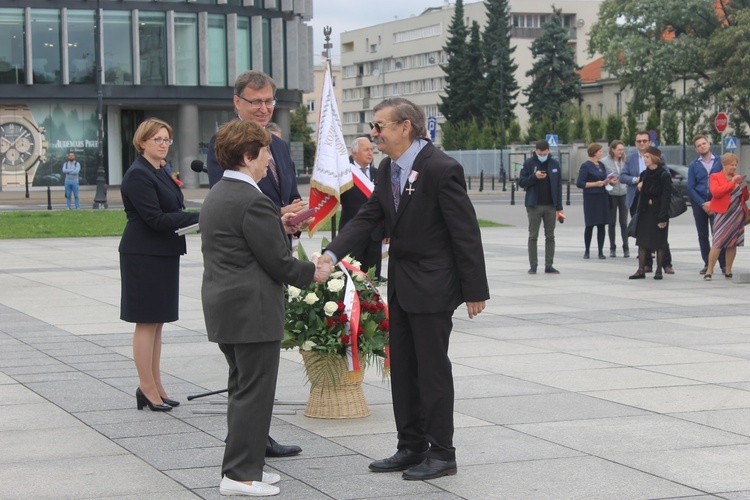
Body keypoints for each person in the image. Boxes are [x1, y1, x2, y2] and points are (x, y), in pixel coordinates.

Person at [317, 98, 489, 481]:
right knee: (404, 369)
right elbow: (368, 218)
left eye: (379, 126)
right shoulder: (386, 168)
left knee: (432, 371)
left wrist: (475, 288)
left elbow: (465, 232)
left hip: (433, 285)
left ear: (405, 126)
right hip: (402, 284)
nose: (374, 134)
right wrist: (331, 254)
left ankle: (442, 453)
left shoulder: (442, 168)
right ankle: (411, 447)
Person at [200, 119, 329, 497]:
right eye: (265, 152)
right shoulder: (252, 198)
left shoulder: (222, 193)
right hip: (251, 310)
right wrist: (315, 273)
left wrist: (278, 221)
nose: (269, 159)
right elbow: (278, 262)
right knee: (254, 392)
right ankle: (239, 475)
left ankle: (245, 465)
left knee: (243, 389)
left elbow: (244, 237)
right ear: (247, 156)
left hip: (228, 307)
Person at [206, 70, 305, 458]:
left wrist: (295, 213)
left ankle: (255, 439)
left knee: (254, 374)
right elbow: (233, 198)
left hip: (274, 247)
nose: (263, 109)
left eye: (269, 102)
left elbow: (286, 191)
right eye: (255, 101)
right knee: (250, 373)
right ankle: (246, 455)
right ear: (237, 102)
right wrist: (313, 270)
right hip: (247, 275)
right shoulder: (226, 145)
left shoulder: (277, 145)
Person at [119, 118, 200, 411]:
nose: (164, 144)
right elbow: (154, 218)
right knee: (146, 321)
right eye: (158, 139)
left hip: (163, 252)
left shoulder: (160, 170)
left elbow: (172, 208)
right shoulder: (138, 175)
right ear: (142, 142)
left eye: (167, 139)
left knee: (158, 322)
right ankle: (146, 387)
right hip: (143, 254)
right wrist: (199, 217)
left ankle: (156, 384)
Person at [620, 130, 674, 274]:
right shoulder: (631, 158)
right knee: (643, 234)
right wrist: (635, 180)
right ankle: (646, 264)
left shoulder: (659, 155)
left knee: (660, 234)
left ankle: (666, 264)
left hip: (656, 201)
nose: (642, 143)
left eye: (644, 141)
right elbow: (623, 176)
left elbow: (666, 174)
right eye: (639, 141)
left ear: (650, 142)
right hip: (638, 199)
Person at [339, 137, 384, 280]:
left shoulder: (380, 174)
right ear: (355, 153)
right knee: (351, 276)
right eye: (366, 150)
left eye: (372, 149)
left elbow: (385, 202)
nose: (370, 153)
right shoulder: (344, 174)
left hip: (375, 233)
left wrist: (387, 229)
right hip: (352, 232)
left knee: (372, 278)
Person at [518, 139, 564, 274]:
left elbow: (559, 186)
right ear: (535, 151)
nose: (543, 156)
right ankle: (533, 265)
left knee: (550, 236)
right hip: (534, 205)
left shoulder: (554, 164)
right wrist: (534, 176)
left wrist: (559, 207)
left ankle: (549, 265)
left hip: (550, 206)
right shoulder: (529, 163)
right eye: (540, 154)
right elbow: (522, 182)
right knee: (533, 235)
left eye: (545, 154)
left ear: (549, 151)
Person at [704, 153, 748, 281]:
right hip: (723, 214)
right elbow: (716, 193)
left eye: (735, 165)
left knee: (732, 243)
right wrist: (731, 183)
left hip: (737, 215)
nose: (734, 167)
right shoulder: (715, 177)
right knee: (717, 242)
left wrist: (744, 189)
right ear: (724, 165)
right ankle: (709, 271)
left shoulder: (737, 178)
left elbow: (744, 197)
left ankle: (728, 270)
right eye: (731, 165)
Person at [688, 134, 725, 275]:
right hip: (700, 204)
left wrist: (714, 201)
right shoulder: (694, 165)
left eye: (704, 143)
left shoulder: (719, 161)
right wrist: (703, 203)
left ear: (709, 144)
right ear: (696, 149)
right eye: (699, 145)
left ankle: (723, 264)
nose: (702, 146)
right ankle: (707, 263)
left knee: (719, 234)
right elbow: (691, 187)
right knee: (702, 234)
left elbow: (724, 181)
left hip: (716, 201)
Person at [577, 143, 615, 259]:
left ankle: (600, 251)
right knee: (590, 225)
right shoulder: (586, 166)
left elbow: (603, 178)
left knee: (601, 225)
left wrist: (607, 181)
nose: (601, 153)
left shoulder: (601, 165)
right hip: (591, 198)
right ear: (594, 152)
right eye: (599, 151)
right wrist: (596, 184)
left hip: (602, 196)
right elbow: (580, 183)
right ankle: (587, 250)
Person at [601, 140, 629, 258]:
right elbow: (602, 177)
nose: (621, 152)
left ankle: (626, 247)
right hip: (611, 194)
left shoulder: (625, 160)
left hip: (623, 193)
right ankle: (612, 247)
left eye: (622, 150)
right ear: (613, 149)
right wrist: (609, 181)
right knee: (611, 222)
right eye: (619, 150)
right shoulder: (604, 162)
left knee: (623, 222)